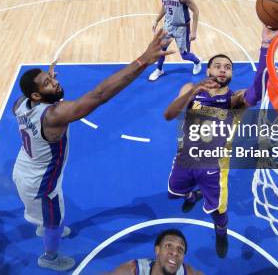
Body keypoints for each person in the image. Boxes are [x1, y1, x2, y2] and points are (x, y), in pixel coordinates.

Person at [13, 30, 175, 271]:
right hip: (42, 182)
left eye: (51, 77)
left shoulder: (21, 104)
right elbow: (99, 95)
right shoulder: (54, 115)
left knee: (45, 214)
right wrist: (143, 60)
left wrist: (48, 89)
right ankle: (49, 256)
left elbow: (34, 101)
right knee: (55, 222)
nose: (54, 81)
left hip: (23, 168)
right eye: (48, 83)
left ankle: (44, 223)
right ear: (37, 95)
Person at [163, 25, 278, 258]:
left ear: (230, 75)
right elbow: (169, 114)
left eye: (227, 67)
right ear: (208, 70)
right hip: (185, 159)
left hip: (214, 168)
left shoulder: (234, 100)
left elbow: (257, 92)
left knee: (218, 209)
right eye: (217, 65)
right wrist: (193, 90)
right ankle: (193, 195)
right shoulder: (190, 88)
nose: (222, 69)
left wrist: (265, 47)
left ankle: (221, 232)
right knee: (175, 193)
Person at [149, 0, 201, 81]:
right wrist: (157, 20)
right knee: (161, 50)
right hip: (168, 25)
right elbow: (165, 7)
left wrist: (193, 31)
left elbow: (196, 10)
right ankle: (159, 69)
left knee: (184, 55)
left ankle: (197, 62)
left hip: (182, 28)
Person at [108, 229, 203, 274]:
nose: (175, 252)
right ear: (157, 250)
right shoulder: (131, 271)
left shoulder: (188, 273)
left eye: (180, 249)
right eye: (168, 245)